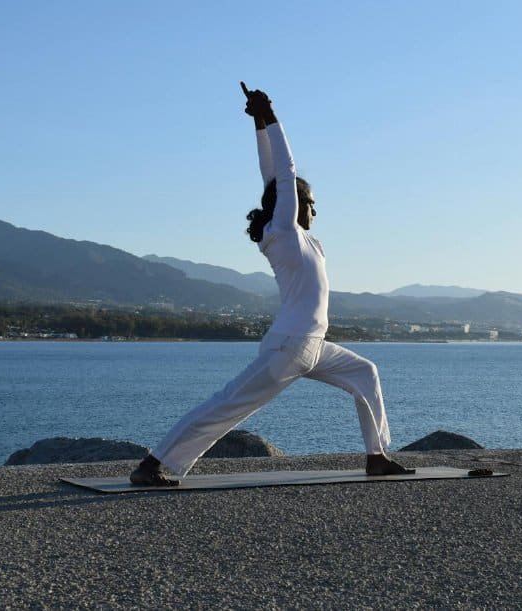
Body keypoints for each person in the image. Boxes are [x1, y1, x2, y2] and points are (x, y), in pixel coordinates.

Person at [129, 84, 413, 486]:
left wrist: (259, 124)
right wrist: (273, 118)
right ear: (294, 201)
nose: (314, 208)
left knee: (365, 373)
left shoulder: (302, 237)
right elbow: (283, 172)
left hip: (312, 346)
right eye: (310, 201)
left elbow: (271, 176)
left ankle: (377, 456)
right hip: (290, 347)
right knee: (228, 405)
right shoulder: (284, 231)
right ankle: (152, 464)